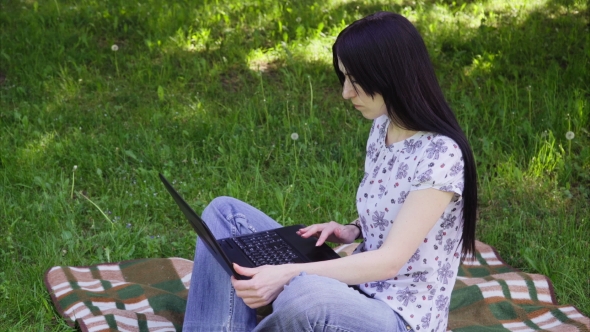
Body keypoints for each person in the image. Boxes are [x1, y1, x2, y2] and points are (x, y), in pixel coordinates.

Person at [182, 11, 477, 332]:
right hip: (358, 287)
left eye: (356, 81)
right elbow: (395, 205)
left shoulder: (441, 154)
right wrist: (352, 229)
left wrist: (290, 272)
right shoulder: (383, 127)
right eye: (344, 78)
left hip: (400, 316)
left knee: (306, 295)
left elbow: (390, 261)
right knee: (223, 213)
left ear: (391, 75)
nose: (346, 93)